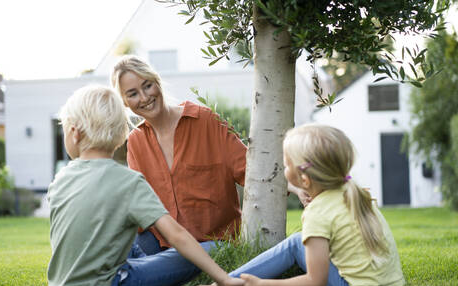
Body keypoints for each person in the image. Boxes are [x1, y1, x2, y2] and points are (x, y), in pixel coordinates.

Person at [47, 85, 243, 286]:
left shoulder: (59, 180)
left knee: (121, 238)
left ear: (74, 133)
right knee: (212, 248)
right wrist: (223, 279)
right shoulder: (128, 181)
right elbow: (176, 235)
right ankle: (167, 285)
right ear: (122, 134)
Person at [111, 55, 309, 255]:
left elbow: (249, 168)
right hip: (162, 240)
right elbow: (140, 201)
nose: (144, 98)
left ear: (157, 82)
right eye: (133, 94)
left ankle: (157, 272)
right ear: (125, 102)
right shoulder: (136, 141)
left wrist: (295, 185)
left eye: (147, 86)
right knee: (114, 253)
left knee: (157, 264)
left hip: (212, 240)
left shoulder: (205, 121)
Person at [184, 124, 405, 286]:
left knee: (296, 243)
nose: (283, 167)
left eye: (287, 163)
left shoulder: (317, 212)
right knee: (301, 242)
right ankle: (222, 284)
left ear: (305, 179)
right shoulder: (352, 191)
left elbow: (315, 282)